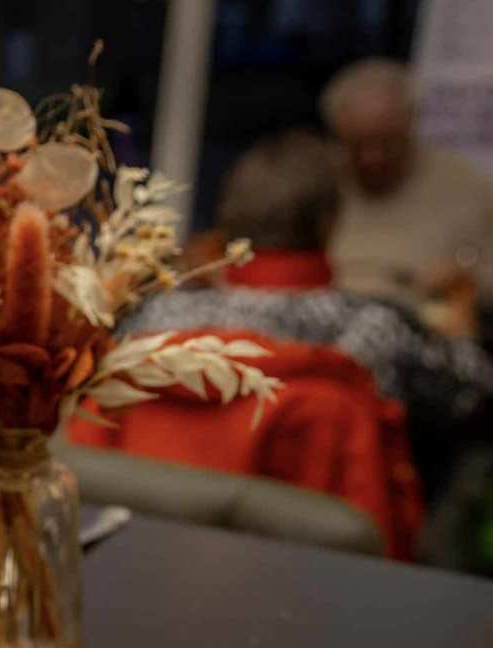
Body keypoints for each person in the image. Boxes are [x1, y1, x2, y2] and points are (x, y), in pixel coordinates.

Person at [124, 128, 492, 494]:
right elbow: (473, 396)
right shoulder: (373, 329)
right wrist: (461, 323)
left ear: (227, 219)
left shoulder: (152, 320)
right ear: (328, 223)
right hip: (325, 530)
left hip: (153, 520)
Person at [321, 58, 493, 324]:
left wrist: (469, 283)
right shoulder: (316, 184)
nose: (372, 158)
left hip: (426, 333)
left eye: (387, 143)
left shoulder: (468, 186)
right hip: (324, 327)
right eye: (357, 146)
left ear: (410, 124)